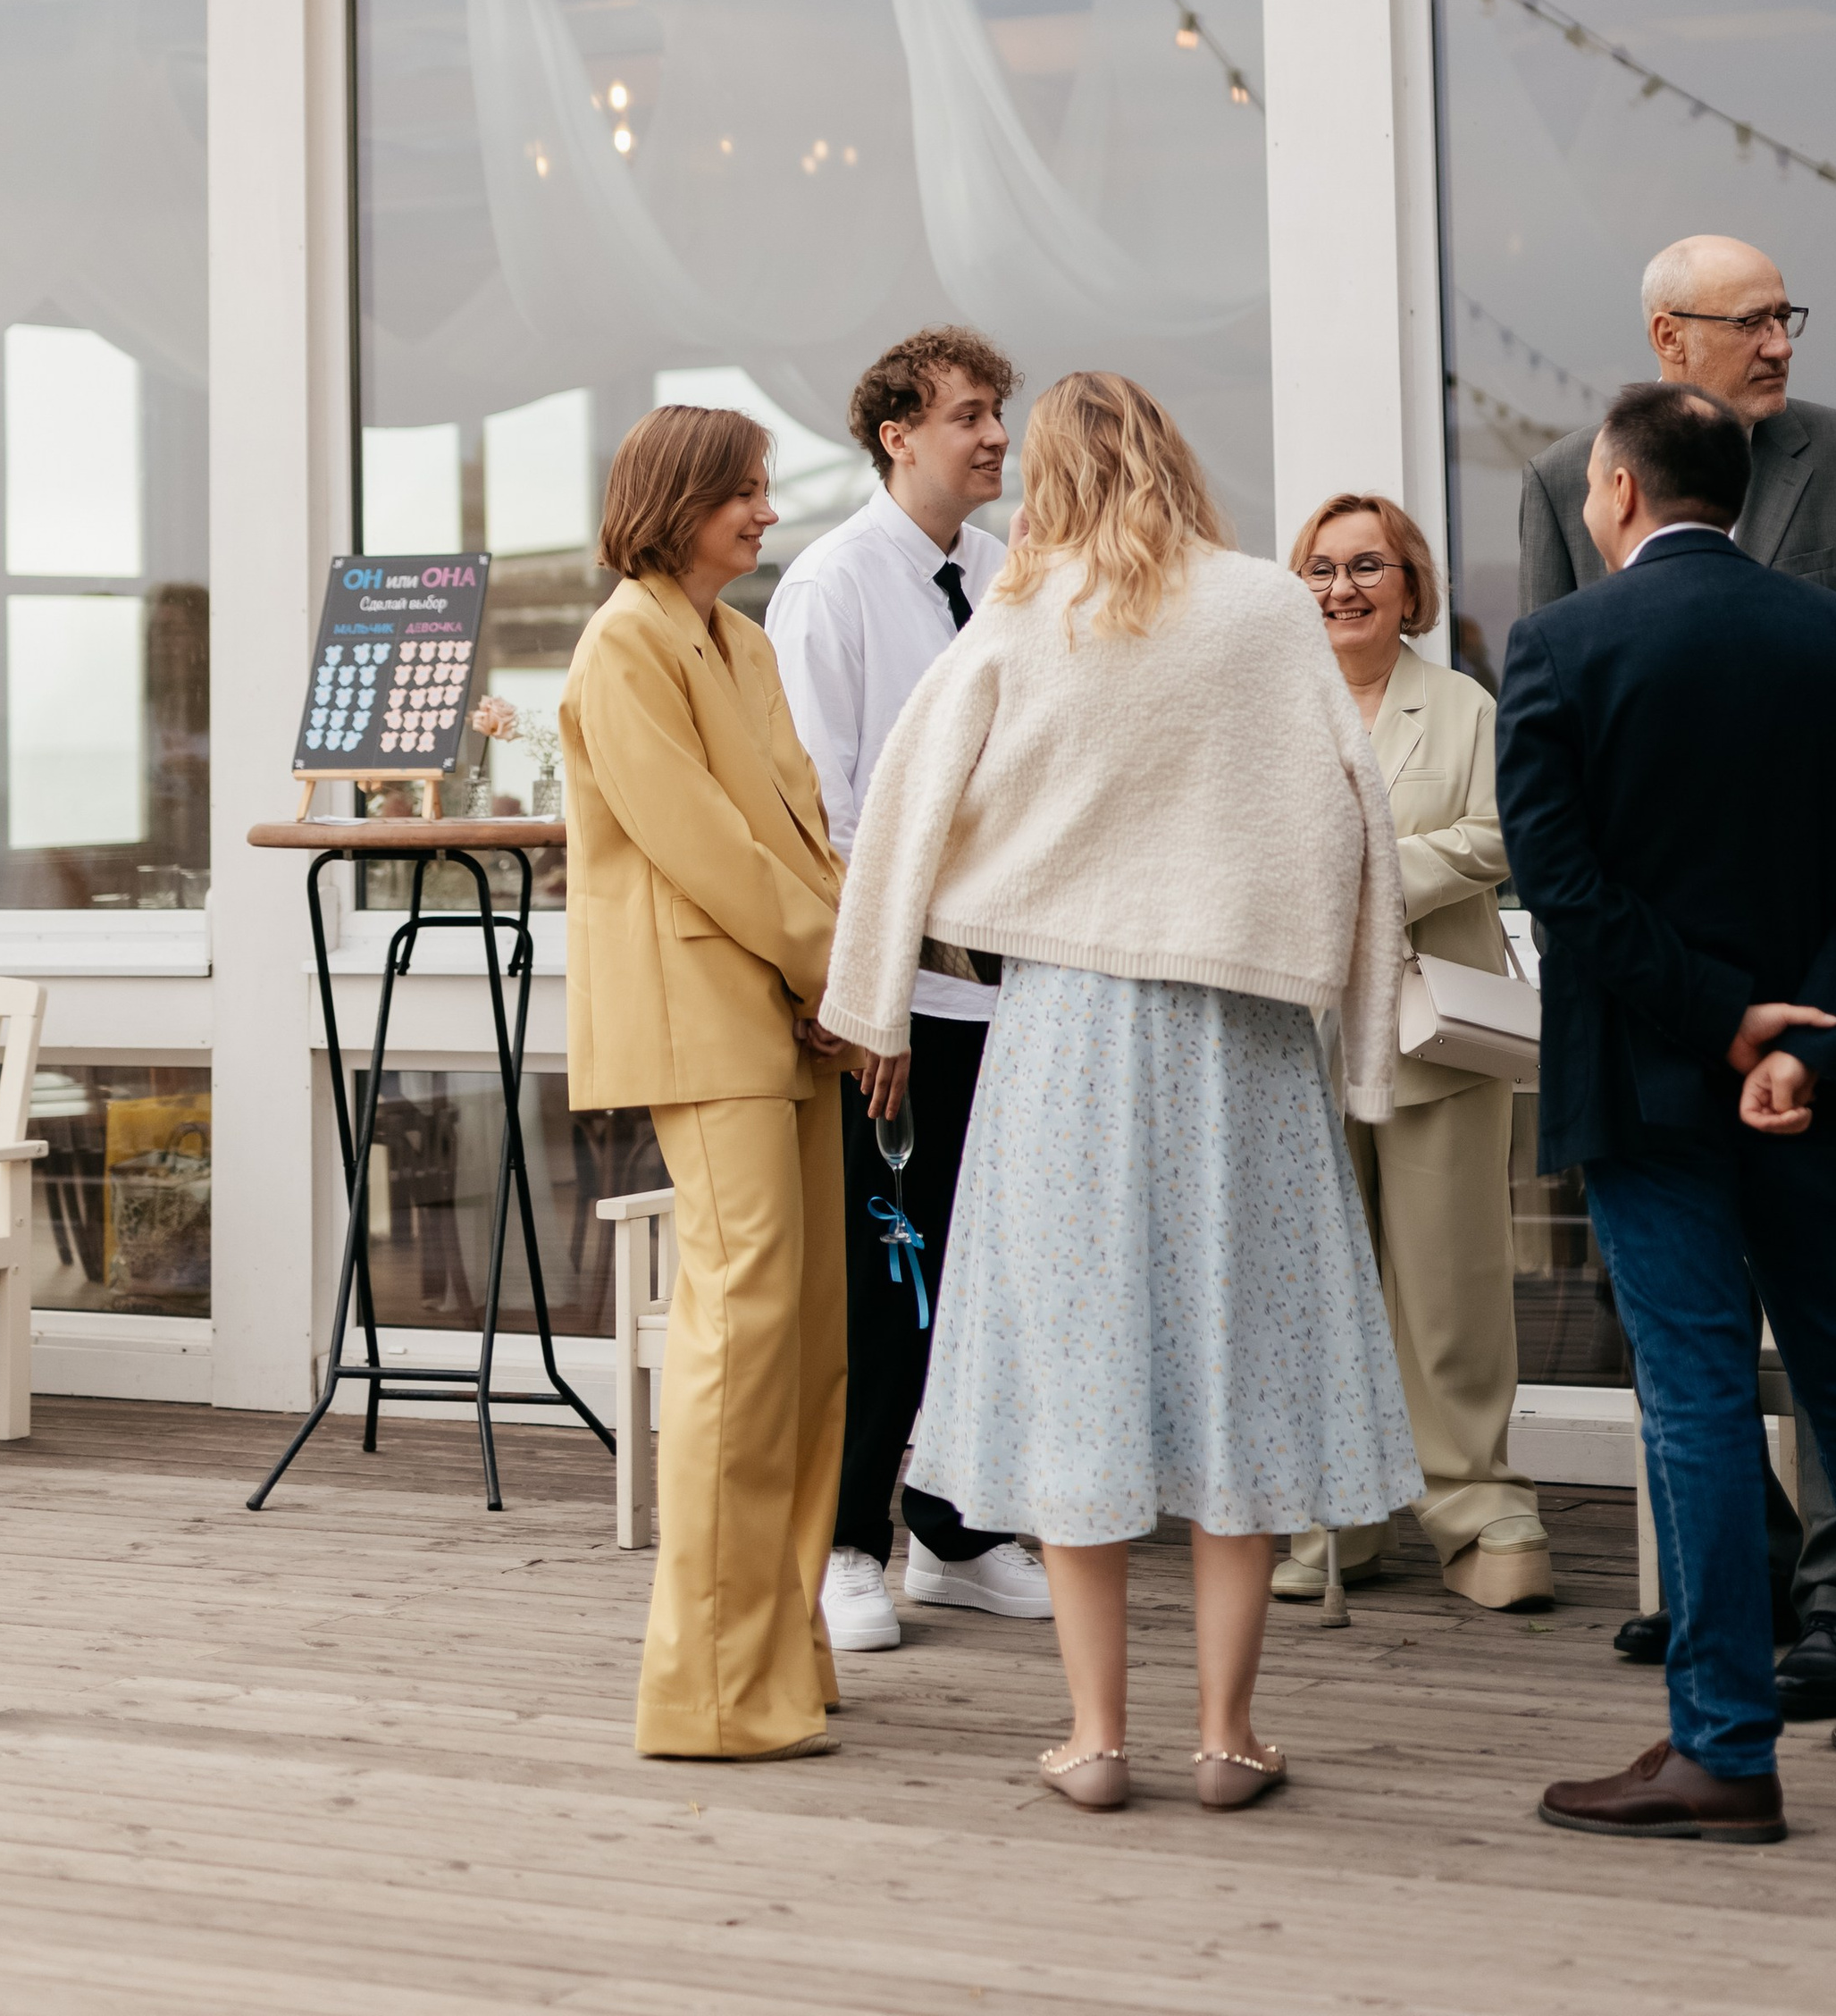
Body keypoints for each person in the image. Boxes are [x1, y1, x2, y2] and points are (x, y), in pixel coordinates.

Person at [818, 372, 1419, 1812]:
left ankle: (1095, 1737)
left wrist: (870, 995)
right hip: (1243, 1045)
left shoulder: (1024, 613)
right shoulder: (1269, 610)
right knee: (1243, 1377)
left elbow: (903, 800)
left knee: (1079, 1373)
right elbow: (1361, 810)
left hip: (1067, 1038)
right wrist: (1368, 1028)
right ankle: (1227, 1733)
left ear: (1061, 475)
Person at [1500, 380, 1836, 1842]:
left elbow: (1566, 890)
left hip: (1653, 1093)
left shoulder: (1559, 646)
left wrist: (1721, 1025)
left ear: (1622, 491)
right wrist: (1807, 1042)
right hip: (1813, 1094)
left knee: (1701, 1394)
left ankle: (1722, 1744)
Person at [561, 403, 853, 1762]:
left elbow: (798, 827)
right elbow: (713, 853)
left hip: (785, 1013)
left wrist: (847, 968)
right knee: (741, 1336)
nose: (765, 511)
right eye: (743, 491)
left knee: (806, 1347)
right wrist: (839, 976)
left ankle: (781, 1659)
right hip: (709, 1016)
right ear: (675, 500)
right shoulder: (622, 645)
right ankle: (711, 1694)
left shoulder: (737, 638)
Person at [766, 325, 1053, 1652]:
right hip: (896, 1002)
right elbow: (820, 814)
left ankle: (956, 1528)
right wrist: (867, 1001)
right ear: (897, 434)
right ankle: (844, 1544)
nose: (997, 435)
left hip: (1015, 995)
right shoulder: (830, 586)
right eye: (970, 415)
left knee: (993, 1278)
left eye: (1000, 413)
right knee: (888, 1283)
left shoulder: (1007, 577)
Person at [1272, 494, 1552, 1614]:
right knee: (1320, 1288)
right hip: (1297, 1041)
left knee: (1451, 1284)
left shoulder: (1465, 706)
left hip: (1437, 1034)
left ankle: (1476, 1504)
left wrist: (1369, 875)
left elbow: (1501, 832)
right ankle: (1336, 1511)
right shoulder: (1267, 707)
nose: (1341, 588)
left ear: (1409, 586)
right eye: (1319, 569)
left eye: (1366, 567)